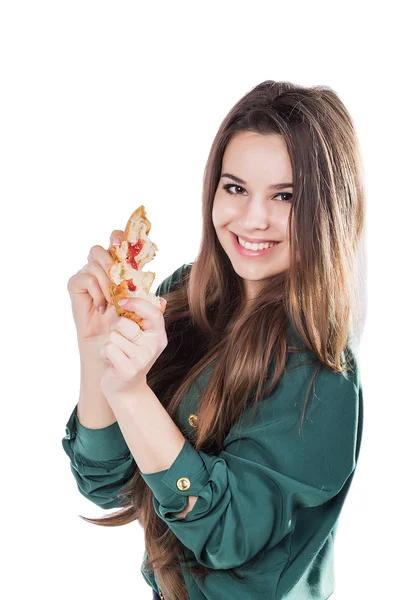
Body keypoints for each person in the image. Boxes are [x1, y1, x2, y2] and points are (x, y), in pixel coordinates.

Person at [62, 79, 365, 600]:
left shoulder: (322, 374)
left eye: (286, 196)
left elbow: (224, 534)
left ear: (328, 209)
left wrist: (133, 392)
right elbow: (105, 481)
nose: (252, 219)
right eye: (235, 188)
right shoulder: (183, 296)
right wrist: (98, 352)